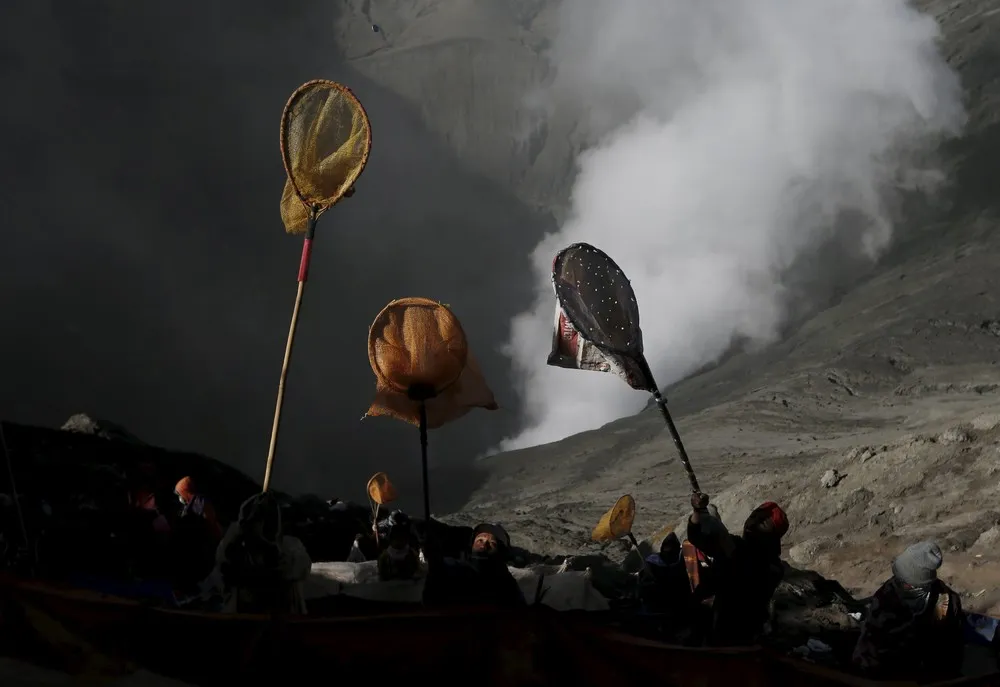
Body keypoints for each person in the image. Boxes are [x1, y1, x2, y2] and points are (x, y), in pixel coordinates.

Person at [852, 541, 964, 681]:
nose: (899, 583)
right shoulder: (887, 597)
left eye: (905, 581)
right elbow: (870, 646)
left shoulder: (947, 601)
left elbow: (952, 650)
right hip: (889, 671)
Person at [686, 493, 787, 646]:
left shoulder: (765, 564)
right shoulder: (739, 548)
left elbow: (746, 577)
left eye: (762, 522)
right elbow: (698, 537)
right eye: (754, 517)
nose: (753, 523)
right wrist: (698, 511)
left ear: (772, 535)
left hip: (733, 632)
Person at [216, 492, 312, 614]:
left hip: (282, 625)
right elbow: (223, 561)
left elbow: (292, 567)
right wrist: (238, 528)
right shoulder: (242, 554)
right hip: (246, 624)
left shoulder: (292, 548)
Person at [423, 522, 525, 608]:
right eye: (480, 540)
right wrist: (434, 560)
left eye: (492, 543)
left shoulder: (504, 581)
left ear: (499, 552)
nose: (484, 545)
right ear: (471, 545)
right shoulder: (452, 569)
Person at [174, 476, 222, 540]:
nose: (180, 498)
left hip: (213, 535)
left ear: (185, 491)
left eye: (180, 494)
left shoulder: (200, 501)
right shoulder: (189, 505)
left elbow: (209, 520)